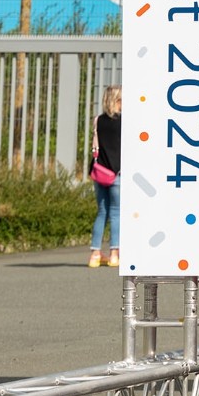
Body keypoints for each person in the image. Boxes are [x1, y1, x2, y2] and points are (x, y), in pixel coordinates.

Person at [88, 84, 122, 267]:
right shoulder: (123, 122)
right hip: (117, 173)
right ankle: (114, 253)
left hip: (99, 172)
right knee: (116, 213)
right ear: (117, 100)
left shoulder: (98, 120)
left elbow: (96, 146)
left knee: (102, 212)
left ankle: (95, 254)